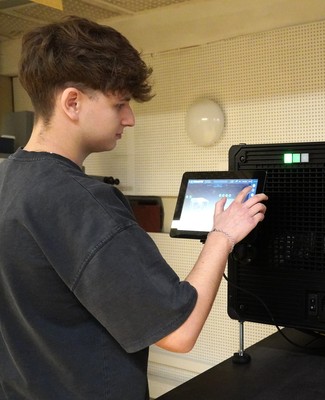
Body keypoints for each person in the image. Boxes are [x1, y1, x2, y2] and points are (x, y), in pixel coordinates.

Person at [0, 16, 267, 400]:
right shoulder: (81, 202)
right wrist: (222, 236)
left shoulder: (8, 179)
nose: (130, 119)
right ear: (72, 102)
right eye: (120, 104)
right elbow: (178, 332)